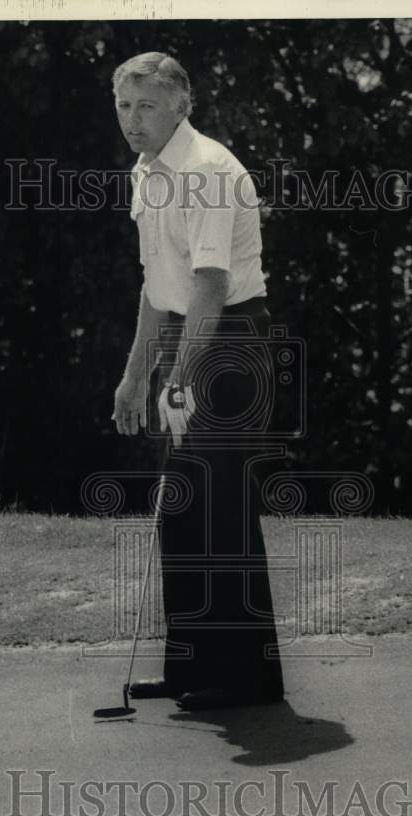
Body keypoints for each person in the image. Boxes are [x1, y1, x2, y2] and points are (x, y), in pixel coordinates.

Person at [111, 51, 284, 711]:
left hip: (229, 341)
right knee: (182, 513)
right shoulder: (147, 172)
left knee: (221, 511)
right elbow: (160, 287)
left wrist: (179, 380)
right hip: (192, 336)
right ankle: (190, 670)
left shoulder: (208, 170)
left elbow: (210, 285)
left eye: (147, 105)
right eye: (125, 105)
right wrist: (134, 378)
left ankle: (246, 680)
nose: (133, 119)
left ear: (181, 104)